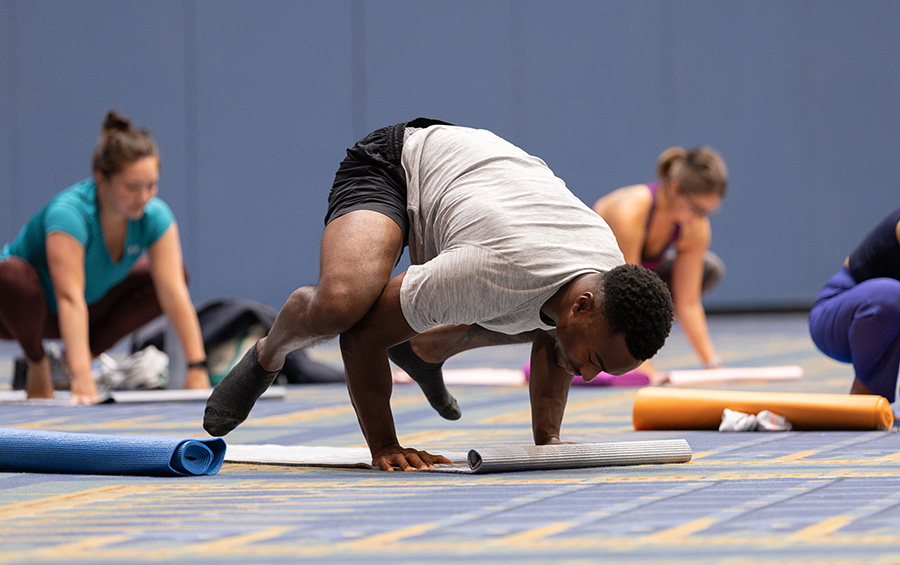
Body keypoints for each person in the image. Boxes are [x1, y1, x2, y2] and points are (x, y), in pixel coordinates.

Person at [204, 119, 674, 471]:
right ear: (583, 304)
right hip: (399, 164)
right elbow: (364, 338)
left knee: (546, 326)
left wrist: (547, 441)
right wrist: (385, 445)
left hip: (482, 182)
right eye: (594, 359)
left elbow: (556, 337)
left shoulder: (603, 283)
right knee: (344, 307)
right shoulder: (495, 271)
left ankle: (425, 349)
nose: (590, 375)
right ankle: (269, 350)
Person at [0, 110, 210, 405]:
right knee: (9, 275)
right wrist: (83, 379)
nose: (144, 196)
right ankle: (37, 362)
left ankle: (76, 356)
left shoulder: (154, 216)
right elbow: (69, 297)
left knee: (171, 276)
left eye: (151, 185)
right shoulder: (69, 214)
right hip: (16, 314)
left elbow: (174, 294)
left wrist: (197, 367)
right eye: (132, 187)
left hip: (81, 312)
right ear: (102, 178)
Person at [591, 147, 728, 383]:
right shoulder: (630, 211)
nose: (701, 218)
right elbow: (626, 295)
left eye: (708, 212)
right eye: (697, 209)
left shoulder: (695, 226)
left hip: (626, 285)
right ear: (675, 188)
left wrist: (711, 364)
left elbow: (689, 302)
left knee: (709, 269)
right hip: (592, 284)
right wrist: (640, 363)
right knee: (632, 293)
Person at [809, 207, 900, 402]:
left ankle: (873, 398)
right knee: (893, 294)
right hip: (833, 317)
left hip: (878, 323)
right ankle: (863, 394)